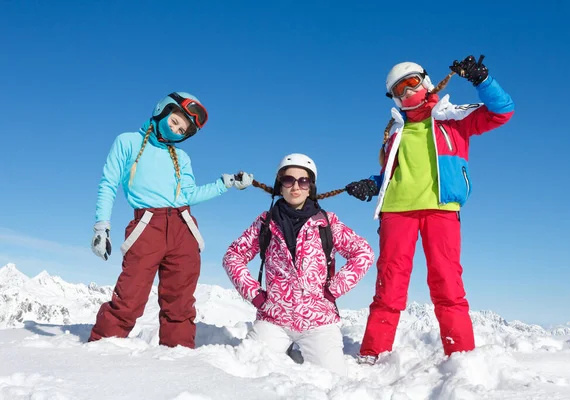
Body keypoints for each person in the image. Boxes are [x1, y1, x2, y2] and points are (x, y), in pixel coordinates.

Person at [345, 55, 515, 364]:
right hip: (396, 213)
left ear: (424, 80)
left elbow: (502, 112)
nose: (407, 93)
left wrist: (482, 80)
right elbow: (390, 175)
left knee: (447, 283)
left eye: (411, 83)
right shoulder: (394, 133)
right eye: (399, 90)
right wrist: (372, 185)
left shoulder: (451, 119)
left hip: (441, 210)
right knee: (389, 285)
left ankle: (461, 357)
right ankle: (372, 354)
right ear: (394, 98)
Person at [88, 91, 253, 348]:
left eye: (182, 129)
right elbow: (108, 183)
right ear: (162, 111)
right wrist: (102, 226)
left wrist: (226, 184)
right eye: (174, 121)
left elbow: (189, 195)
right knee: (130, 297)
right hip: (146, 226)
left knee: (180, 303)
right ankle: (99, 350)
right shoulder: (128, 142)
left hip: (183, 228)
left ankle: (177, 361)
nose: (175, 129)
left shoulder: (181, 158)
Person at [222, 154, 374, 375]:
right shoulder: (265, 222)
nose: (295, 186)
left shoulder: (327, 223)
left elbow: (363, 253)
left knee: (333, 380)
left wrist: (333, 291)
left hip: (319, 321)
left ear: (310, 186)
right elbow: (233, 256)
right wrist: (256, 295)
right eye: (288, 180)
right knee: (248, 372)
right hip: (274, 318)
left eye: (303, 181)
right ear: (279, 185)